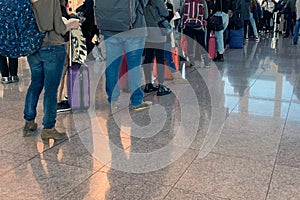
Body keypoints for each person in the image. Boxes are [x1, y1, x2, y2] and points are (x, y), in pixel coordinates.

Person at [23, 0, 80, 144]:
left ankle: (29, 121)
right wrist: (71, 23)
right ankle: (48, 128)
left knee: (35, 83)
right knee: (50, 89)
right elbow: (59, 27)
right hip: (52, 46)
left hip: (33, 47)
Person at [95, 0, 152, 110]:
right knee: (134, 67)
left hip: (109, 28)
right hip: (134, 29)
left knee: (112, 65)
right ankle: (136, 101)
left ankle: (113, 99)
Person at [164, 0, 188, 83]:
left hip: (156, 34)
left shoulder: (168, 5)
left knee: (151, 57)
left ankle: (146, 80)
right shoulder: (167, 5)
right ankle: (176, 77)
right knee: (166, 56)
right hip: (163, 33)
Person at [181, 0, 210, 67]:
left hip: (188, 25)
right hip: (199, 26)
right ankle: (206, 62)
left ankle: (192, 62)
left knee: (190, 44)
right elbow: (206, 16)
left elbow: (181, 12)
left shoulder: (186, 1)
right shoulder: (202, 1)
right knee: (202, 44)